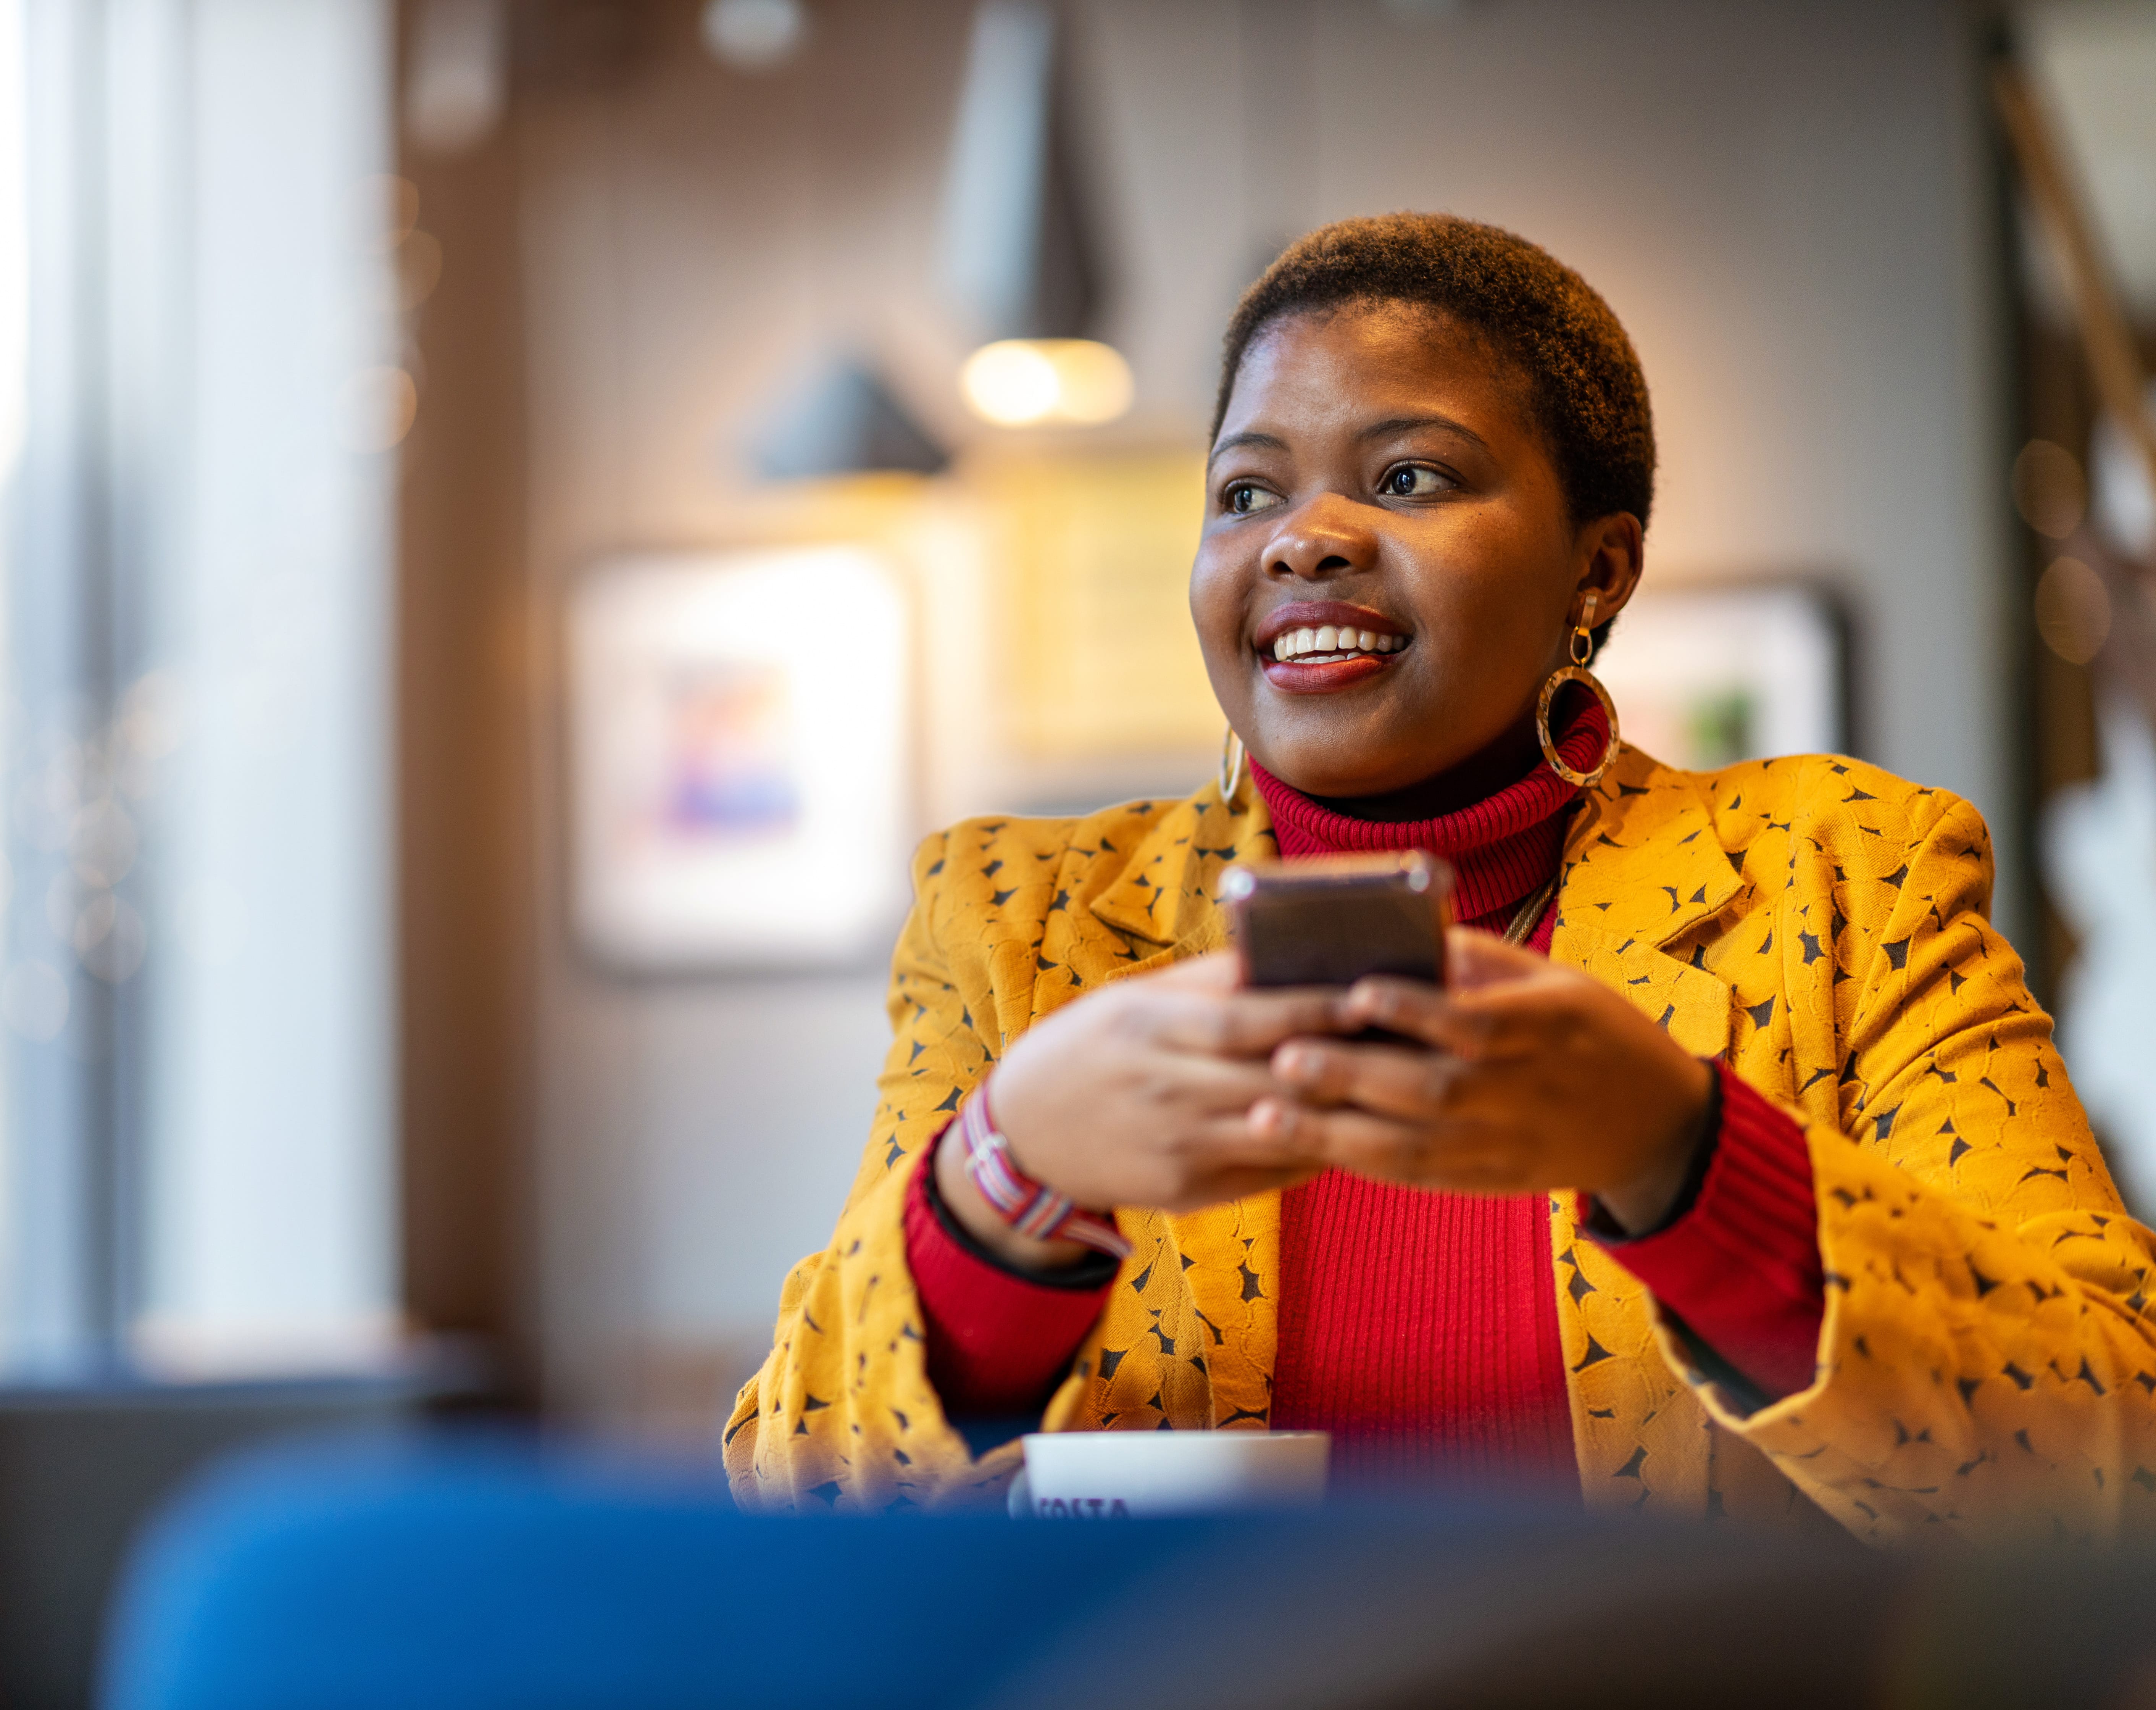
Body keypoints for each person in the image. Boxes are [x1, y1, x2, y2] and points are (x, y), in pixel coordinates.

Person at [725, 213, 2156, 1544]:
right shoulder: (1021, 928)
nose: (1305, 535)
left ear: (1599, 572)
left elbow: (2114, 1464)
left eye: (1409, 476)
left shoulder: (1842, 878)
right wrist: (1003, 1185)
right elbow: (794, 1516)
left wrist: (1684, 1154)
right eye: (1246, 492)